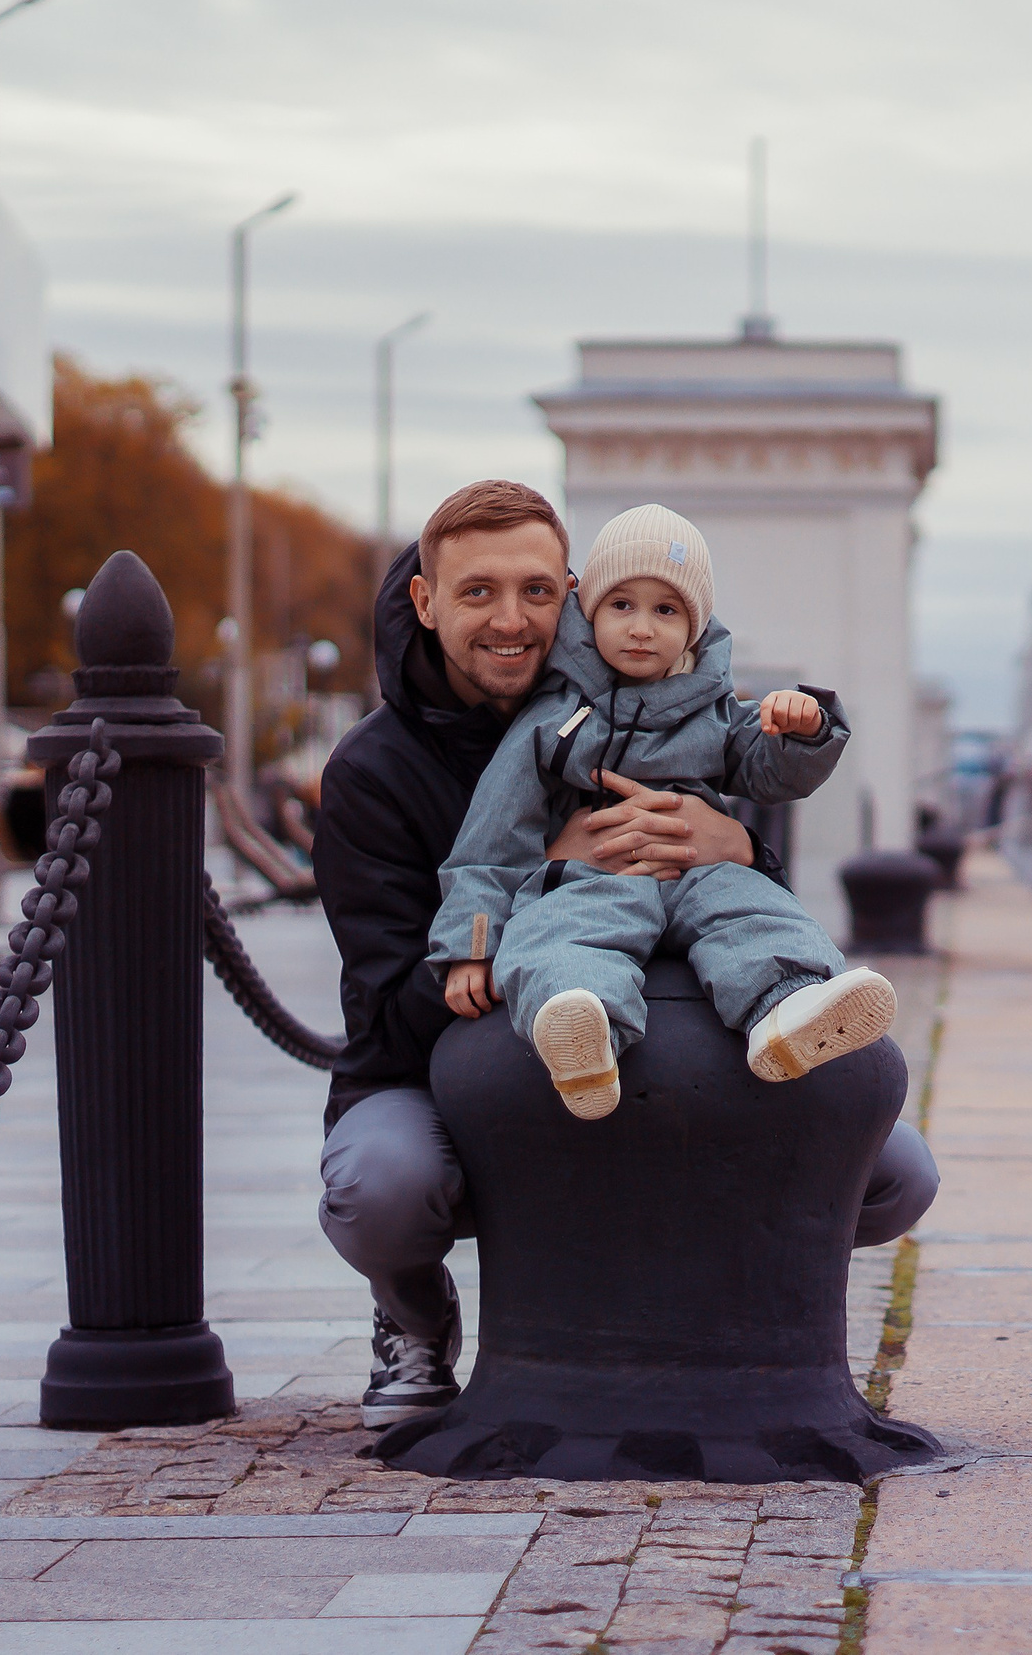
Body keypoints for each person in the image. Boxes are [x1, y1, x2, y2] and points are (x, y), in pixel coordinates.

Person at [315, 480, 938, 1429]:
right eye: (478, 592)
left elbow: (734, 865)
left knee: (895, 1172)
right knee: (384, 1188)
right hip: (451, 1057)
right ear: (426, 601)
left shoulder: (655, 702)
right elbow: (390, 1005)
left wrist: (737, 847)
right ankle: (412, 1310)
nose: (511, 619)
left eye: (536, 591)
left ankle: (686, 1283)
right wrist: (547, 877)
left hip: (667, 1038)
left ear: (570, 593)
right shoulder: (373, 771)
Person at [431, 503, 898, 1117]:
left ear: (695, 628)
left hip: (702, 871)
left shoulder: (716, 709)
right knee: (557, 932)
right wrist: (473, 941)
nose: (642, 628)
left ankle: (786, 1009)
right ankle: (583, 1035)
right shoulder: (555, 718)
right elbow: (494, 833)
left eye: (666, 610)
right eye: (622, 605)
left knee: (756, 914)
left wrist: (803, 731)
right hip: (596, 877)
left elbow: (769, 773)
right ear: (588, 611)